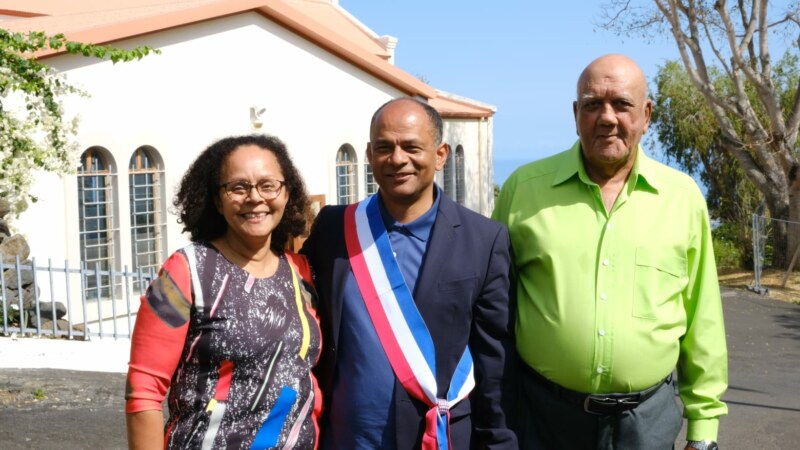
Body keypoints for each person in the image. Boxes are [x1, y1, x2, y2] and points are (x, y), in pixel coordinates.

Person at [493, 54, 728, 450]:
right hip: (542, 420)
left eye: (621, 104)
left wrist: (703, 432)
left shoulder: (682, 197)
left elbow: (701, 318)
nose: (607, 117)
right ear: (575, 113)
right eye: (592, 104)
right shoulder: (523, 190)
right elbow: (493, 311)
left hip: (648, 424)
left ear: (646, 114)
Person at [301, 97, 517, 449]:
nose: (397, 158)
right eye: (384, 147)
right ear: (370, 155)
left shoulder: (484, 240)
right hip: (345, 438)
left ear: (441, 154)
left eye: (411, 147)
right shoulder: (333, 230)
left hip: (437, 438)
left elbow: (495, 363)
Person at [125, 134, 321, 449]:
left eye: (268, 185)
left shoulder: (302, 272)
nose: (255, 198)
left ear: (287, 193)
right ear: (218, 200)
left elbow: (305, 377)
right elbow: (144, 390)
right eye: (238, 187)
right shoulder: (182, 271)